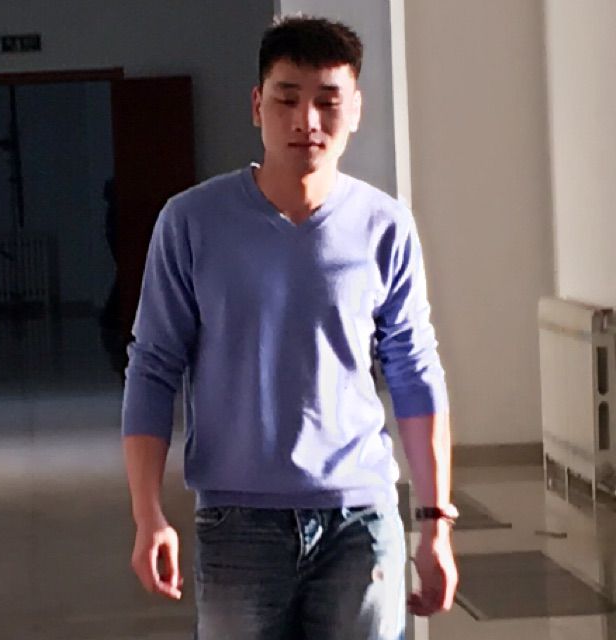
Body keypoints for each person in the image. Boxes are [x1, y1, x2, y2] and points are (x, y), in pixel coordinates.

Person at [122, 14, 458, 640]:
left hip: (360, 520)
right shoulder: (192, 222)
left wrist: (435, 521)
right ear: (257, 105)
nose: (307, 121)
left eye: (328, 101)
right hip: (238, 523)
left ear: (355, 110)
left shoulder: (384, 227)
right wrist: (148, 515)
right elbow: (152, 367)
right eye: (287, 99)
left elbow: (414, 370)